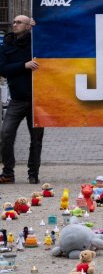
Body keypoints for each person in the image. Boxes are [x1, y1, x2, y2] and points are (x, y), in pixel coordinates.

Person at [0, 15, 43, 184]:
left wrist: (38, 28)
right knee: (6, 134)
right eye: (14, 21)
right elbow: (2, 68)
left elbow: (49, 43)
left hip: (37, 99)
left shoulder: (35, 42)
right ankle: (8, 172)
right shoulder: (7, 45)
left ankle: (33, 173)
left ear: (27, 26)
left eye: (19, 22)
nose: (15, 24)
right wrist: (23, 66)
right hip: (17, 99)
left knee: (36, 139)